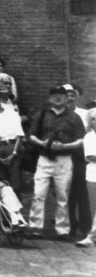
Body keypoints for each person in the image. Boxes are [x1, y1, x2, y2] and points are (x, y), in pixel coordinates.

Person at [25, 85, 86, 240]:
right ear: (49, 98)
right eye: (54, 95)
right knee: (39, 193)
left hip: (64, 160)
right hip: (44, 158)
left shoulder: (74, 117)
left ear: (67, 99)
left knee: (62, 196)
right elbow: (31, 135)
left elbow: (80, 140)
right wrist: (42, 143)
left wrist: (65, 146)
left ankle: (62, 230)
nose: (58, 97)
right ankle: (35, 227)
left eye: (62, 95)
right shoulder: (42, 114)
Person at [0, 74, 24, 190]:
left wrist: (13, 154)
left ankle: (16, 207)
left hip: (12, 149)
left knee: (15, 184)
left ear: (0, 99)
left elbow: (20, 136)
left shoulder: (11, 113)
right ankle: (1, 208)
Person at [63, 85, 92, 240]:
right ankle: (70, 227)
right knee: (67, 194)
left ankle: (84, 227)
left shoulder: (84, 113)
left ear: (76, 97)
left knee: (82, 194)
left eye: (72, 95)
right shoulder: (58, 114)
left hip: (80, 158)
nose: (69, 98)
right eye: (66, 95)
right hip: (63, 157)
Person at [77, 105, 96, 248]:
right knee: (94, 208)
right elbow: (91, 156)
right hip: (93, 176)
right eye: (93, 119)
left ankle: (91, 236)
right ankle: (92, 235)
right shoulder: (89, 137)